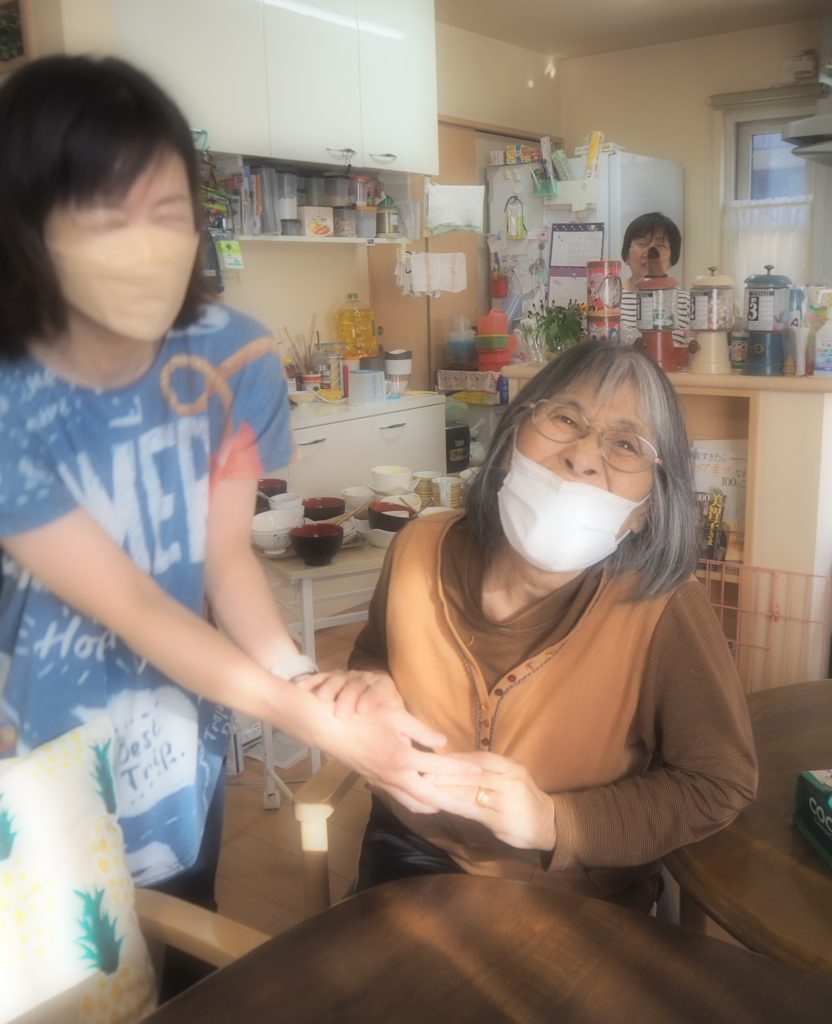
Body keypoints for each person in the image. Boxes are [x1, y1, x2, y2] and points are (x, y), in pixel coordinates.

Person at [0, 55, 463, 916]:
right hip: (32, 749)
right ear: (27, 226)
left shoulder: (234, 356)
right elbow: (131, 602)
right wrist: (315, 723)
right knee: (73, 963)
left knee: (187, 930)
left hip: (176, 733)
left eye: (168, 211)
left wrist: (302, 678)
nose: (147, 247)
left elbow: (224, 560)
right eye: (104, 216)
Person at [313, 341, 757, 912]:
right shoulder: (418, 547)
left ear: (648, 506)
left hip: (576, 886)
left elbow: (719, 782)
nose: (583, 456)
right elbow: (375, 653)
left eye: (625, 444)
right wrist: (374, 686)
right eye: (566, 419)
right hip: (414, 846)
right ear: (511, 439)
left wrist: (555, 821)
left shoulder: (666, 607)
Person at [619, 211, 690, 348]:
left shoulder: (686, 303)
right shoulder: (612, 301)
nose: (650, 252)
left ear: (672, 258)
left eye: (660, 245)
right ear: (626, 255)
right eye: (642, 243)